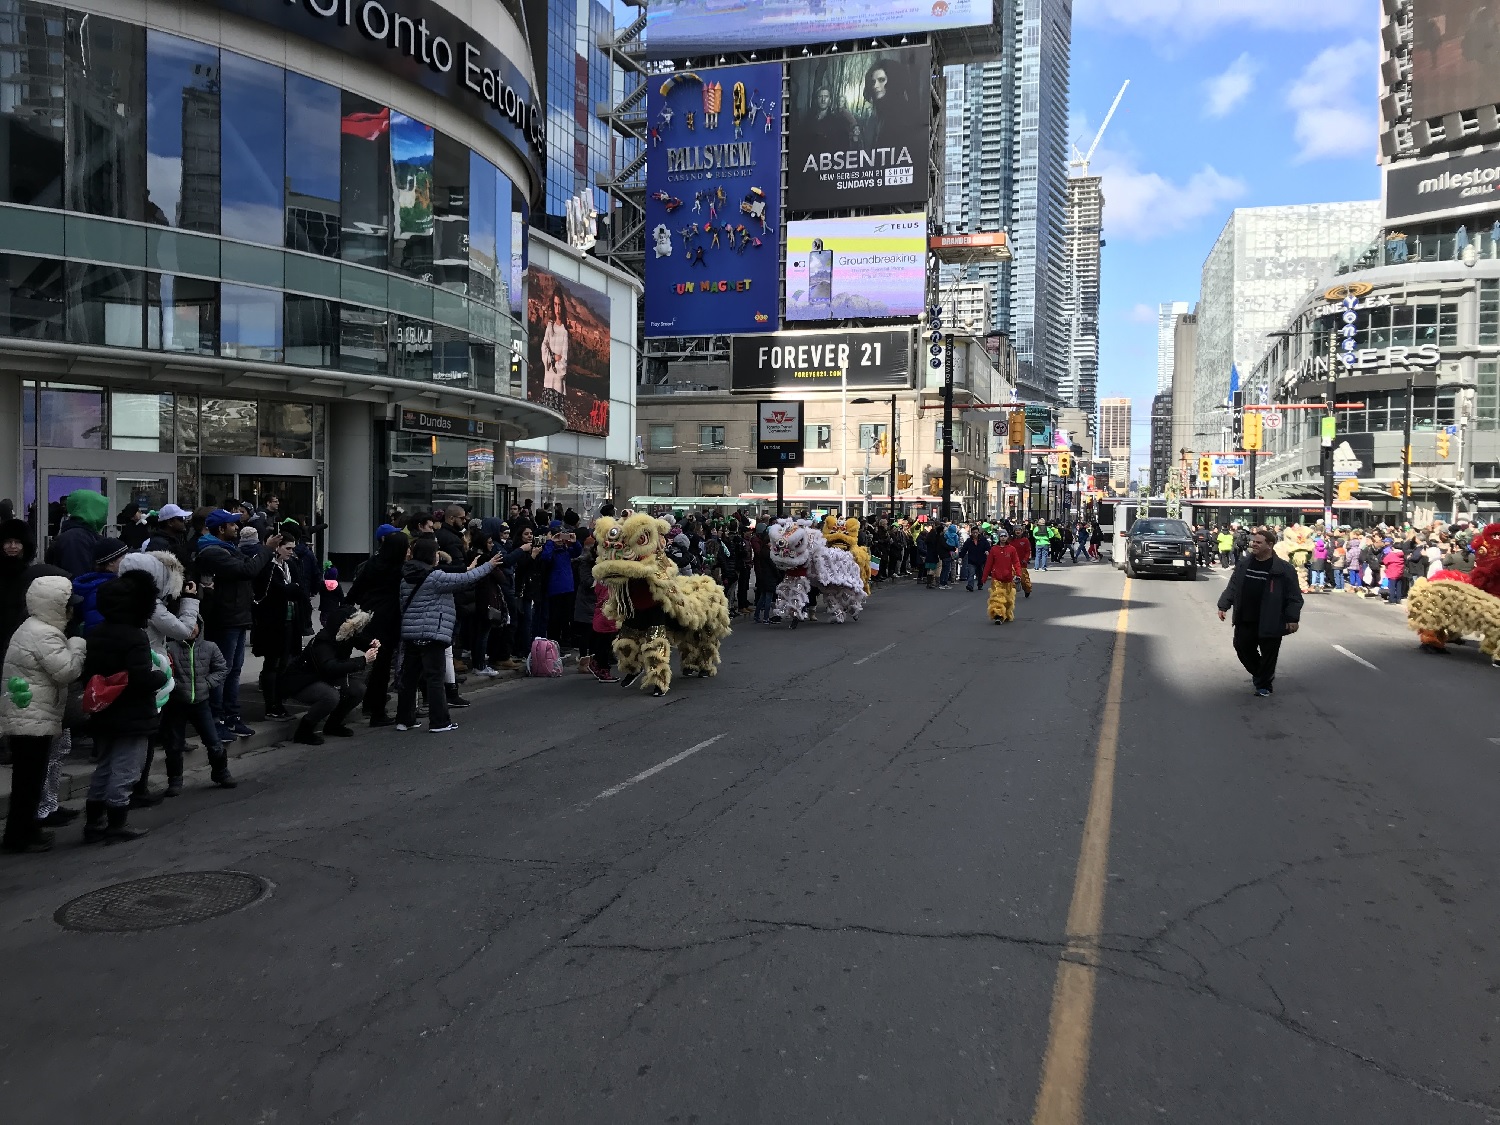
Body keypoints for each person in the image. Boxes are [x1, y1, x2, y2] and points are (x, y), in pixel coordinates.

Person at [81, 569, 169, 843]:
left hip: (104, 710)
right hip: (132, 713)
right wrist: (161, 676)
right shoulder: (134, 636)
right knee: (127, 767)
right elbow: (140, 678)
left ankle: (94, 822)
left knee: (105, 765)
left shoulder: (95, 632)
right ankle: (117, 822)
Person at [1, 576, 86, 853]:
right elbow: (66, 671)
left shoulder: (32, 628)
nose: (72, 610)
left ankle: (26, 830)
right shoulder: (44, 634)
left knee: (28, 779)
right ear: (55, 606)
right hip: (31, 719)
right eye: (68, 605)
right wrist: (77, 645)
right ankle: (20, 836)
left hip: (28, 715)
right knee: (28, 781)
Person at [395, 538, 498, 734]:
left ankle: (404, 720)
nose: (437, 556)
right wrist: (489, 566)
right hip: (433, 633)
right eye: (436, 553)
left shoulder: (405, 577)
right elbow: (465, 580)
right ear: (429, 555)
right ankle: (439, 721)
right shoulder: (434, 577)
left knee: (409, 679)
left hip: (410, 633)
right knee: (435, 678)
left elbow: (402, 605)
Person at [195, 509, 282, 740]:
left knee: (233, 671)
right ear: (221, 529)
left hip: (237, 616)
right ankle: (218, 719)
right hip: (225, 619)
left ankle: (232, 717)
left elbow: (251, 567)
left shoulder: (228, 549)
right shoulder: (213, 552)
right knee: (222, 671)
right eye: (232, 525)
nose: (237, 528)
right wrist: (267, 548)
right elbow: (248, 569)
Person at [1217, 527, 1303, 697]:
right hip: (1246, 617)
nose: (1253, 544)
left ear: (1269, 545)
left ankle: (1264, 685)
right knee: (1242, 647)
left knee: (1269, 654)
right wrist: (1223, 605)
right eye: (1253, 541)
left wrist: (1292, 618)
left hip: (1271, 619)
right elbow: (1233, 586)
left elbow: (1294, 596)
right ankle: (1261, 674)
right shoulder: (1244, 564)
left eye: (1258, 542)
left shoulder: (1283, 569)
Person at [281, 605, 377, 745]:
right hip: (302, 682)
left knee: (358, 689)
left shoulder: (346, 635)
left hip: (322, 678)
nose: (355, 630)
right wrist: (362, 660)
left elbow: (361, 641)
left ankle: (333, 724)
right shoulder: (323, 641)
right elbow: (329, 667)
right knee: (330, 696)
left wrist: (372, 644)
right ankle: (304, 731)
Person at [161, 624, 236, 794]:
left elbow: (222, 668)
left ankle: (221, 772)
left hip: (201, 703)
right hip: (176, 703)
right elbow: (165, 671)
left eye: (194, 625)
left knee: (213, 741)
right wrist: (176, 686)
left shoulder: (210, 647)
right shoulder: (170, 648)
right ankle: (175, 780)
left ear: (200, 627)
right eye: (186, 625)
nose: (191, 629)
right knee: (174, 745)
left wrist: (207, 683)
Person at [349, 529, 410, 724]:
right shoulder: (399, 569)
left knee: (376, 664)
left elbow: (355, 590)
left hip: (370, 617)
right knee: (382, 667)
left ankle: (370, 704)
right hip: (389, 620)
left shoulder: (373, 563)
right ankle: (377, 711)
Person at [249, 536, 309, 723]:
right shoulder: (269, 567)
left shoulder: (290, 566)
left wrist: (292, 589)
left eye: (292, 548)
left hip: (291, 620)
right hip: (273, 622)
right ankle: (271, 704)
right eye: (288, 548)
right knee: (272, 664)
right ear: (278, 548)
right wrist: (291, 589)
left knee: (285, 664)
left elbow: (300, 589)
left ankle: (279, 702)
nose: (291, 551)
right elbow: (278, 590)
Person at [46, 488, 108, 576]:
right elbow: (79, 577)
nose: (105, 515)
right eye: (101, 509)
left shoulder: (83, 534)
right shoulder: (76, 539)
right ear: (90, 509)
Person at [981, 529, 1026, 623]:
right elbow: (988, 564)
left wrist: (1018, 574)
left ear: (1007, 537)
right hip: (996, 578)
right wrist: (984, 577)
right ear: (999, 537)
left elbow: (1016, 562)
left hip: (1008, 578)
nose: (1003, 538)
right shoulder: (994, 549)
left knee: (1007, 600)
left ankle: (1005, 614)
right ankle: (998, 615)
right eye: (1001, 536)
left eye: (1005, 536)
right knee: (997, 597)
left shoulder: (1011, 549)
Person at [540, 290, 570, 412]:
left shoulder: (564, 332)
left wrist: (554, 366)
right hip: (547, 383)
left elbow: (564, 361)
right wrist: (553, 357)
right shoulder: (550, 327)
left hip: (558, 387)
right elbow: (544, 347)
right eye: (555, 304)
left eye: (559, 305)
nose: (557, 308)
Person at [961, 523, 991, 591]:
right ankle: (970, 586)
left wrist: (987, 551)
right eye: (973, 533)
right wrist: (961, 556)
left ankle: (980, 584)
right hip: (972, 560)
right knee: (971, 573)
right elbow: (964, 549)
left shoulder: (983, 540)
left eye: (976, 533)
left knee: (980, 573)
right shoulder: (969, 541)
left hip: (981, 560)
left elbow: (988, 547)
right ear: (971, 533)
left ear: (978, 533)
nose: (975, 534)